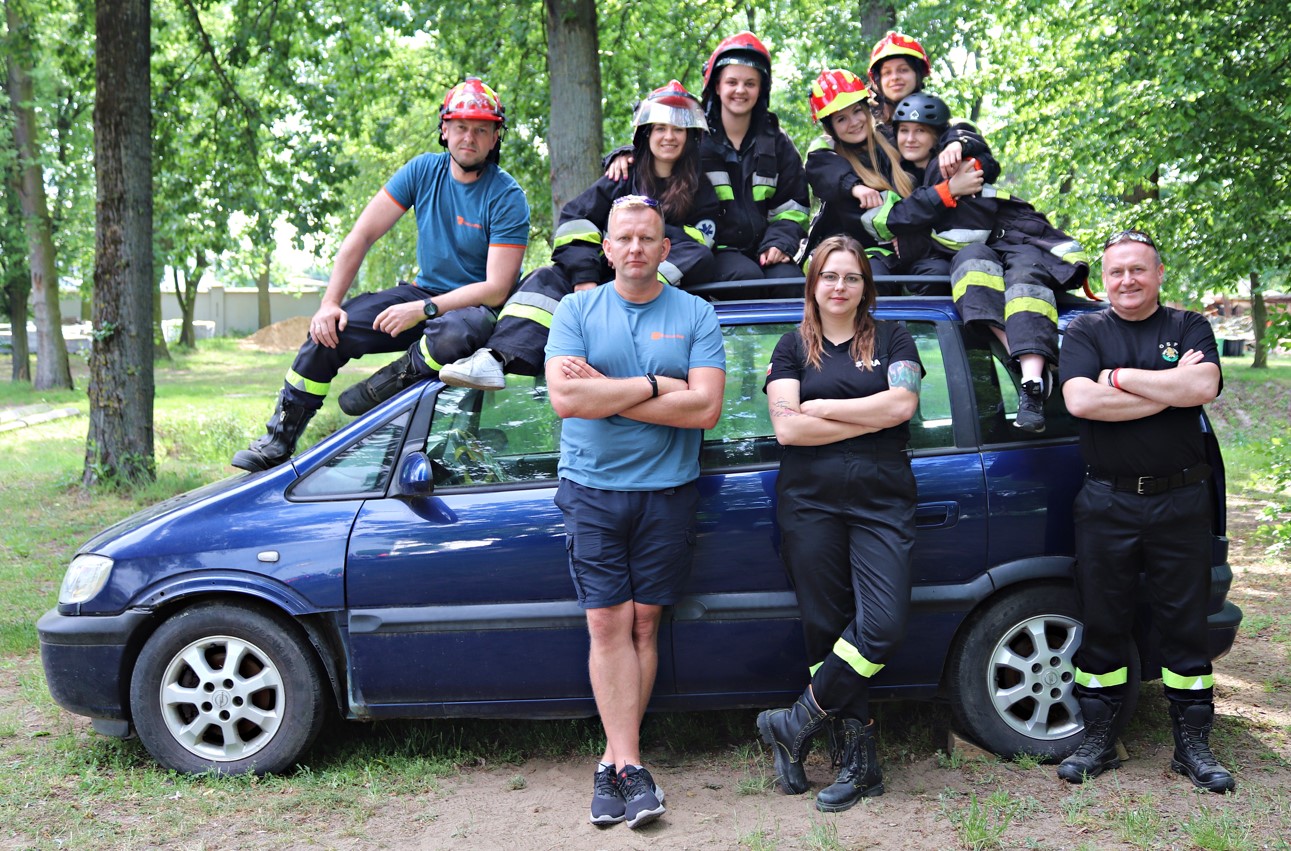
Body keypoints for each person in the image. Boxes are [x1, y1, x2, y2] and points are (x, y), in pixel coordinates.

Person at [230, 77, 530, 471]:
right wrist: (329, 304)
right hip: (423, 296)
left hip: (471, 312)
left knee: (456, 332)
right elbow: (362, 235)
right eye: (460, 127)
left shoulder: (507, 196)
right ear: (445, 129)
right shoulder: (423, 171)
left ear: (495, 138)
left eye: (480, 130)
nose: (469, 138)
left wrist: (424, 310)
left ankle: (387, 386)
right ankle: (278, 439)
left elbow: (495, 290)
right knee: (330, 331)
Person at [545, 196, 726, 828]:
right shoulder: (575, 308)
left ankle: (613, 763)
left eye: (647, 238)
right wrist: (655, 387)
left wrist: (606, 392)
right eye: (624, 238)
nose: (635, 249)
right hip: (592, 489)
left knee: (645, 625)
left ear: (664, 248)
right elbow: (565, 398)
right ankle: (631, 767)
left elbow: (705, 411)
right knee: (606, 625)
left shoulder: (696, 313)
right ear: (608, 247)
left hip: (668, 488)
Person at [1057, 229, 1234, 793]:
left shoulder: (1187, 326)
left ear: (1159, 274)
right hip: (1107, 500)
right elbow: (1080, 401)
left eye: (1138, 269)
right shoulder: (1085, 328)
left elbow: (1203, 385)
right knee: (1104, 620)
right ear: (1103, 279)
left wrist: (1119, 378)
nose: (1127, 280)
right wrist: (1167, 387)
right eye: (1116, 272)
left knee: (1185, 623)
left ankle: (1193, 744)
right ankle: (1098, 740)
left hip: (1181, 500)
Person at [757, 234, 923, 813]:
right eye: (829, 276)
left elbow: (902, 405)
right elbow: (788, 431)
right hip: (810, 501)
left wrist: (821, 408)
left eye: (851, 277)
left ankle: (795, 721)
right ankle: (859, 762)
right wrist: (864, 416)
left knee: (882, 625)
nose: (839, 287)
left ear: (864, 285)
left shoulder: (894, 337)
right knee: (825, 627)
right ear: (813, 283)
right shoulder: (789, 347)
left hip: (882, 498)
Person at [438, 81, 719, 391]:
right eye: (660, 128)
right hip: (601, 273)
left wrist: (634, 268)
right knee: (544, 279)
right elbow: (575, 219)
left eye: (678, 130)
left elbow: (696, 245)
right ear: (646, 133)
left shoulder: (702, 189)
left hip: (649, 289)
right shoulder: (622, 175)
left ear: (690, 137)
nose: (669, 136)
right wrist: (585, 278)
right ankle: (493, 358)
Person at [874, 93, 1089, 431]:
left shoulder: (954, 162)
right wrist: (947, 191)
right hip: (983, 251)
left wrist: (957, 153)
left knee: (1020, 284)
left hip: (1016, 242)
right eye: (904, 131)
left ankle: (1032, 379)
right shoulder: (904, 174)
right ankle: (1030, 373)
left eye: (920, 131)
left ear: (936, 138)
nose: (910, 138)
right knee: (974, 271)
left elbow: (972, 148)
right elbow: (895, 218)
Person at [606, 31, 809, 283]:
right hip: (711, 250)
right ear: (716, 85)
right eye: (732, 82)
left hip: (767, 250)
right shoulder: (696, 137)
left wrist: (779, 242)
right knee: (745, 280)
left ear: (761, 89)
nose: (740, 90)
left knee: (791, 284)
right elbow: (659, 144)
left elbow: (794, 207)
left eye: (750, 83)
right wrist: (624, 153)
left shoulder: (778, 142)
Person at [802, 68, 916, 291]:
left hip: (908, 247)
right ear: (830, 127)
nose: (853, 122)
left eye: (856, 111)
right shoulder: (826, 154)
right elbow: (822, 169)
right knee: (873, 281)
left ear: (866, 108)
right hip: (858, 251)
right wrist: (854, 187)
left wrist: (958, 143)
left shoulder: (894, 141)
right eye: (841, 118)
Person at [866, 32, 932, 126]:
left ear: (918, 74)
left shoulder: (935, 119)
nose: (895, 77)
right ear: (877, 80)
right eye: (887, 72)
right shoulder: (863, 122)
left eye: (903, 70)